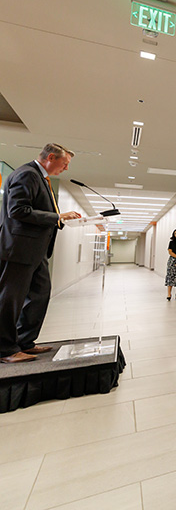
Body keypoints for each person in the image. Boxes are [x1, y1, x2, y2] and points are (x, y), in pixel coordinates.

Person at [0, 143, 81, 364]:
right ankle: (5, 349)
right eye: (64, 164)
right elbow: (17, 210)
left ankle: (25, 341)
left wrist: (59, 218)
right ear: (51, 157)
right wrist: (57, 217)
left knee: (40, 294)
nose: (65, 169)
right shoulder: (27, 174)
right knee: (10, 300)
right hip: (19, 249)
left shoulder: (41, 179)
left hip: (37, 251)